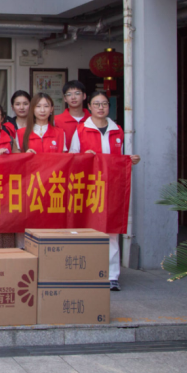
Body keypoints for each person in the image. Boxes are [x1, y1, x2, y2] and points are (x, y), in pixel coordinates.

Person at [69, 90, 141, 292]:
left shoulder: (117, 130)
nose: (100, 108)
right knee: (87, 229)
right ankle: (87, 273)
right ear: (89, 107)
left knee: (111, 230)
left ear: (109, 107)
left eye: (104, 104)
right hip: (88, 187)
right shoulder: (81, 130)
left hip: (112, 186)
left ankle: (111, 276)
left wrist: (131, 159)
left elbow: (122, 157)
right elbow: (72, 157)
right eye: (96, 104)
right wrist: (85, 156)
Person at [56, 80, 90, 150]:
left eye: (77, 93)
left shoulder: (92, 119)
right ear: (65, 98)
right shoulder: (56, 120)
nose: (73, 97)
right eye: (69, 94)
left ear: (84, 96)